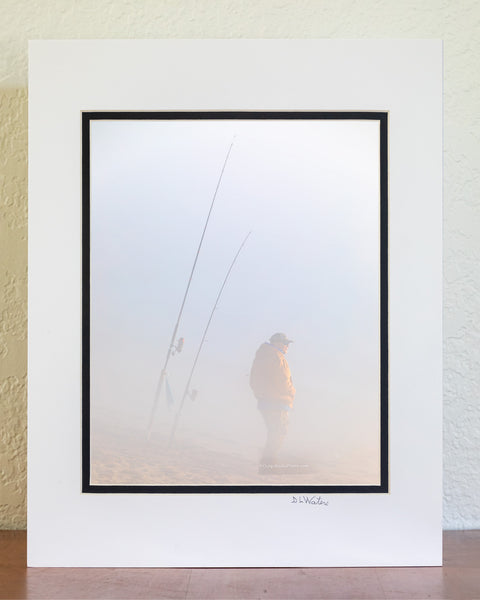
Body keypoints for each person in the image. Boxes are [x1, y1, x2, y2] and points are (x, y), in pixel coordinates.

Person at [249, 332, 295, 467]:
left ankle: (267, 459)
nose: (287, 347)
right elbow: (283, 380)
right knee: (279, 430)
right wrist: (292, 391)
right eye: (285, 344)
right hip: (277, 401)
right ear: (277, 343)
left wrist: (260, 394)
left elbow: (253, 380)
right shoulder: (276, 357)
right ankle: (268, 462)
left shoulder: (263, 355)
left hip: (265, 400)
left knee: (275, 430)